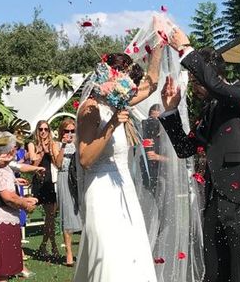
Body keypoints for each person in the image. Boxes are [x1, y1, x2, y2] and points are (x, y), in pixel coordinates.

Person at [159, 27, 240, 282]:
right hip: (214, 203)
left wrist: (187, 50)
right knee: (213, 276)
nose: (197, 88)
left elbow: (218, 87)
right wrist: (171, 112)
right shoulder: (208, 113)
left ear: (215, 74)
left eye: (199, 81)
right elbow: (184, 148)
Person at [73, 48, 163, 282]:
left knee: (131, 258)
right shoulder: (90, 109)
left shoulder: (119, 104)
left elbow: (151, 84)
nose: (129, 83)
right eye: (124, 77)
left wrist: (158, 47)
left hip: (125, 191)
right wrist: (112, 124)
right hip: (102, 193)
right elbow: (84, 159)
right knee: (110, 260)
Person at [0, 132, 38, 281]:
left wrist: (16, 183)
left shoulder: (4, 166)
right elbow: (8, 197)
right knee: (1, 272)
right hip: (0, 220)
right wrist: (25, 203)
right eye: (15, 147)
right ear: (10, 150)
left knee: (6, 271)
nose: (16, 150)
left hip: (8, 220)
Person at [28, 119, 59, 259]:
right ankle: (46, 246)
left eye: (46, 129)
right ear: (37, 131)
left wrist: (50, 152)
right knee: (31, 212)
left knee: (50, 216)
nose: (43, 132)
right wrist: (40, 152)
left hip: (49, 181)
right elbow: (33, 164)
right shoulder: (32, 144)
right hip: (38, 182)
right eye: (41, 129)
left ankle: (49, 245)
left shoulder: (53, 144)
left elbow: (57, 163)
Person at [53, 118, 82, 267]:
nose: (70, 133)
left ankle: (85, 251)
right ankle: (69, 252)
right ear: (62, 131)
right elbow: (58, 163)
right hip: (64, 178)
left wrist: (77, 141)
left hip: (79, 179)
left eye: (72, 130)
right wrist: (64, 145)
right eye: (67, 131)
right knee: (67, 215)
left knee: (83, 213)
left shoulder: (79, 142)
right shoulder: (56, 144)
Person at [140, 104, 165, 193]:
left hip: (165, 177)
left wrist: (158, 157)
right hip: (148, 176)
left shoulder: (167, 138)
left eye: (156, 120)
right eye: (150, 119)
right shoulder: (146, 136)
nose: (153, 123)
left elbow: (177, 161)